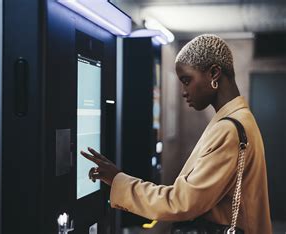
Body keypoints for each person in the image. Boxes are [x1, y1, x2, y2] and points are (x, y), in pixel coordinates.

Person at [80, 34, 272, 233]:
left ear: (214, 73)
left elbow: (182, 202)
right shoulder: (239, 117)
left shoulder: (229, 129)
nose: (183, 91)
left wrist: (119, 180)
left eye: (187, 80)